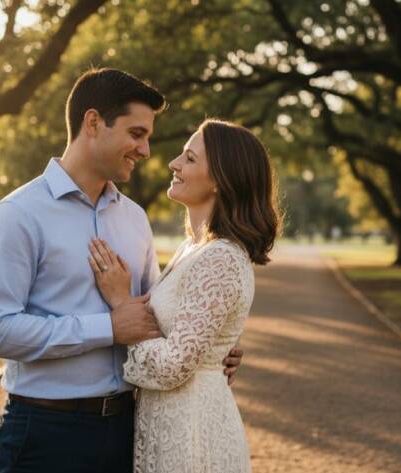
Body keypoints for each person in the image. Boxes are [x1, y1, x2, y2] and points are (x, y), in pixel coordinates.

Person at [0, 69, 244, 473]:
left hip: (126, 428)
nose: (146, 150)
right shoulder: (18, 215)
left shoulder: (134, 218)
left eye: (148, 136)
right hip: (47, 433)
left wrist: (207, 342)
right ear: (94, 123)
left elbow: (154, 316)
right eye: (136, 134)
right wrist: (108, 328)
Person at [88, 119, 280, 472]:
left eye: (189, 159)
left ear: (221, 180)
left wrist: (122, 305)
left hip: (193, 434)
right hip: (171, 422)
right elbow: (188, 338)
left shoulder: (220, 257)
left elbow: (173, 366)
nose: (173, 163)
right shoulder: (192, 248)